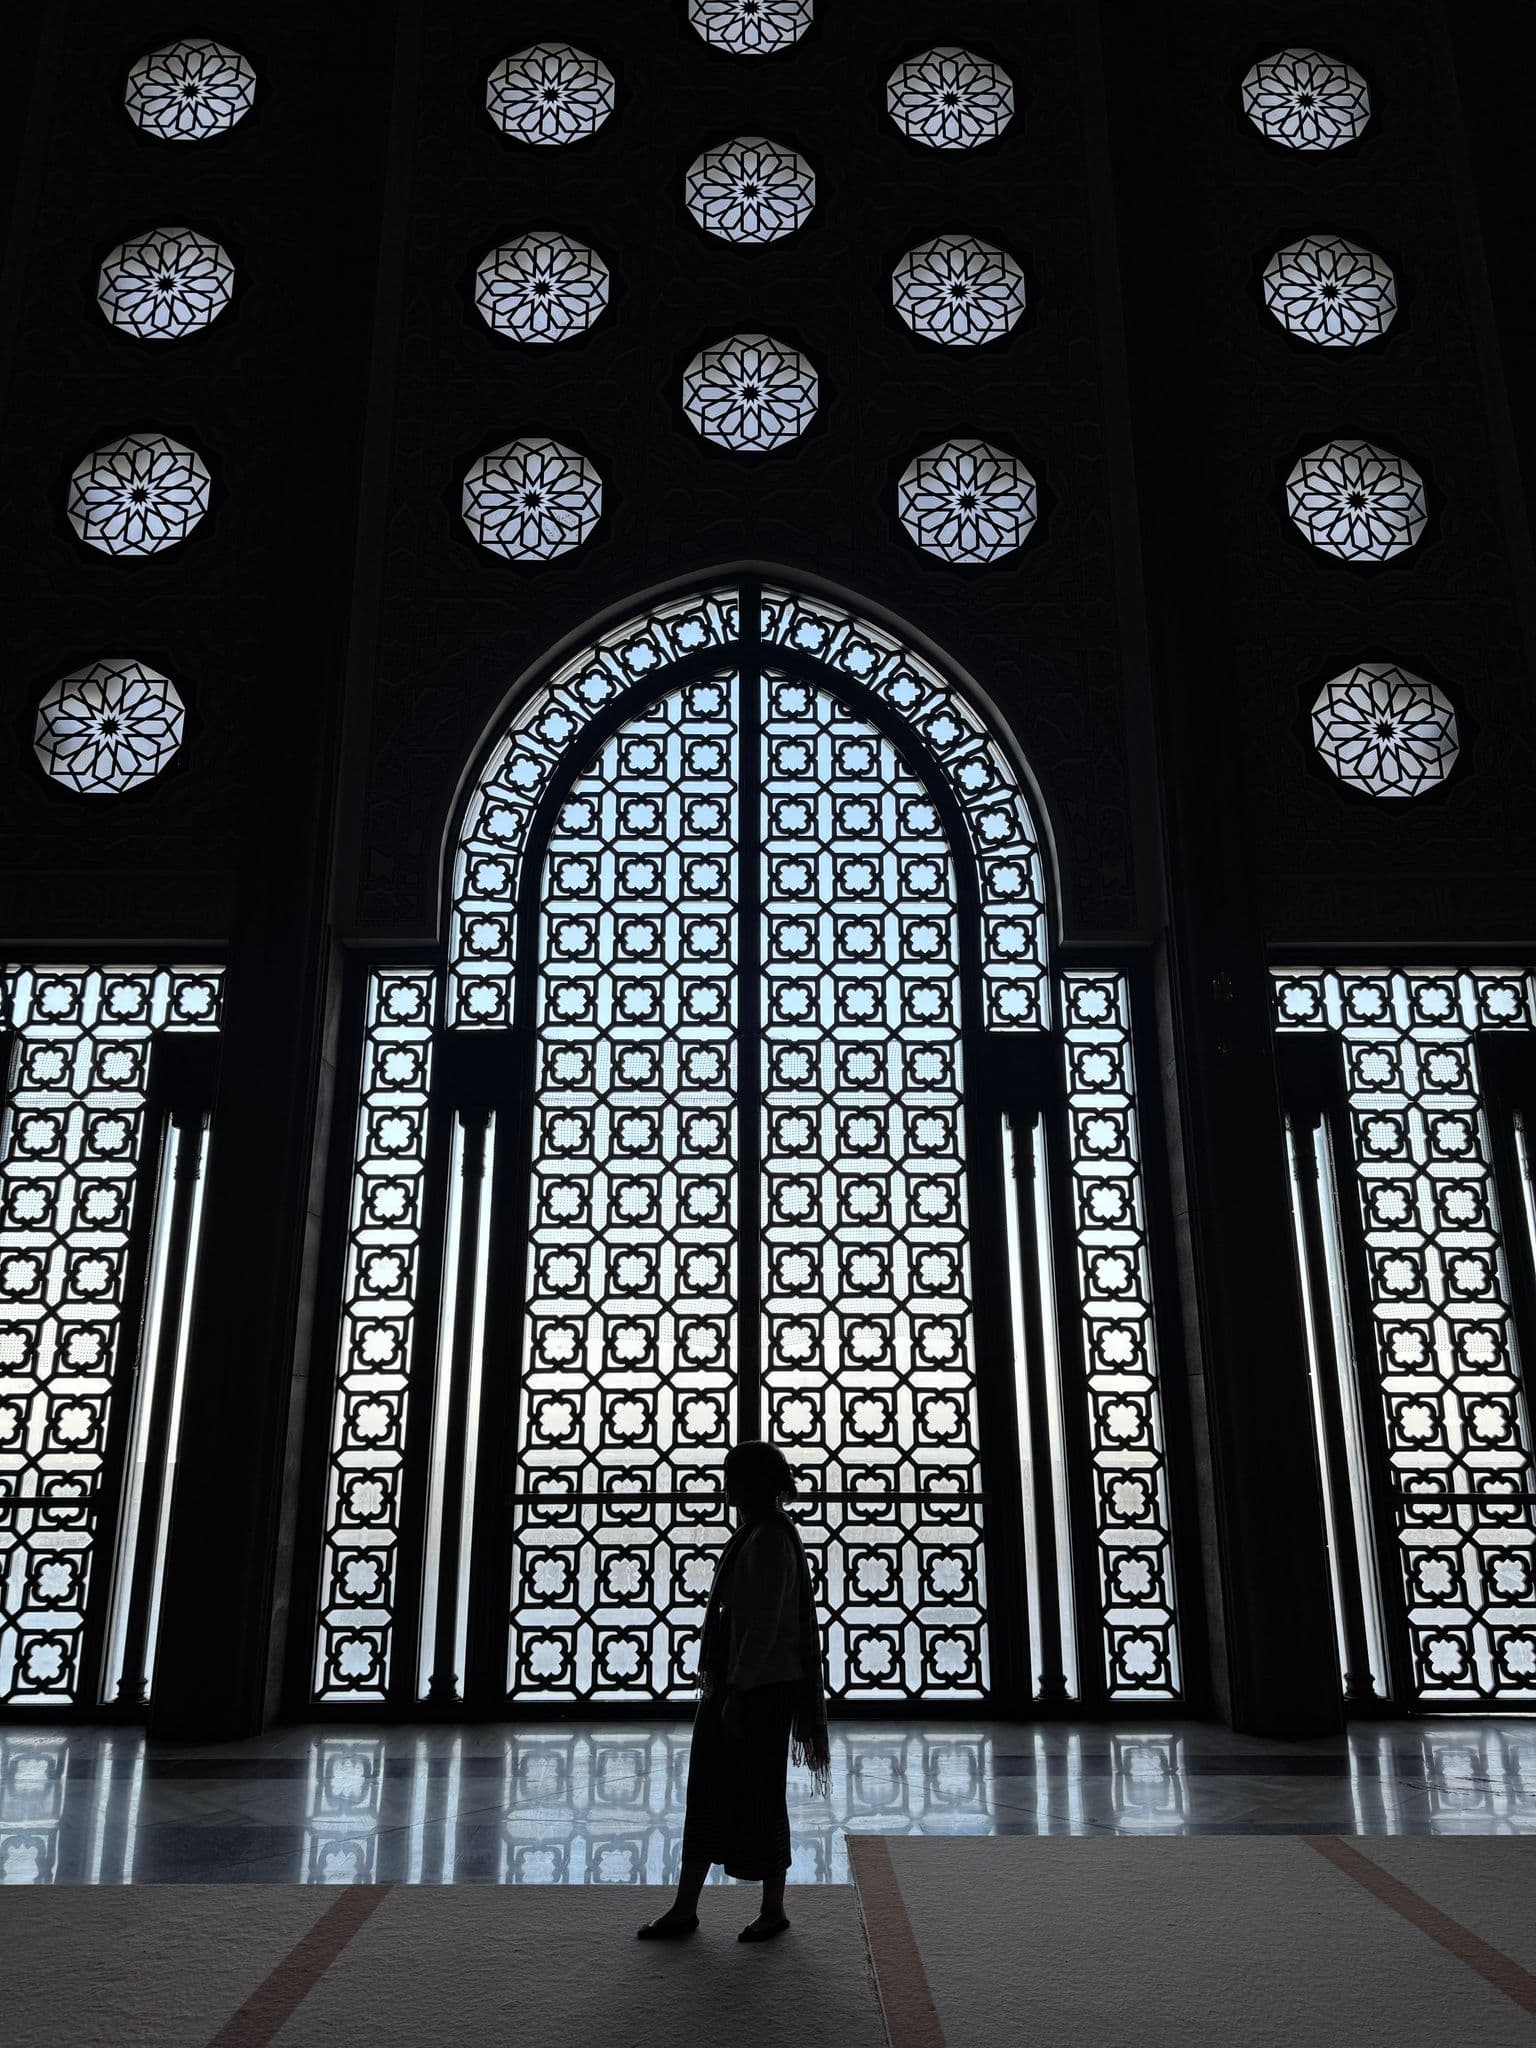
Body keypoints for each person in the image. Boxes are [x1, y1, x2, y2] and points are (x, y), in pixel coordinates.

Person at [637, 1439, 830, 1944]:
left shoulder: (766, 1539)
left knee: (751, 1795)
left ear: (748, 1483)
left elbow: (762, 1625)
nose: (726, 1487)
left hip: (755, 1687)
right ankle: (694, 1906)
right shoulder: (762, 1533)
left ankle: (764, 1909)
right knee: (724, 1792)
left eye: (732, 1476)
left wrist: (738, 1691)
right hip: (745, 1683)